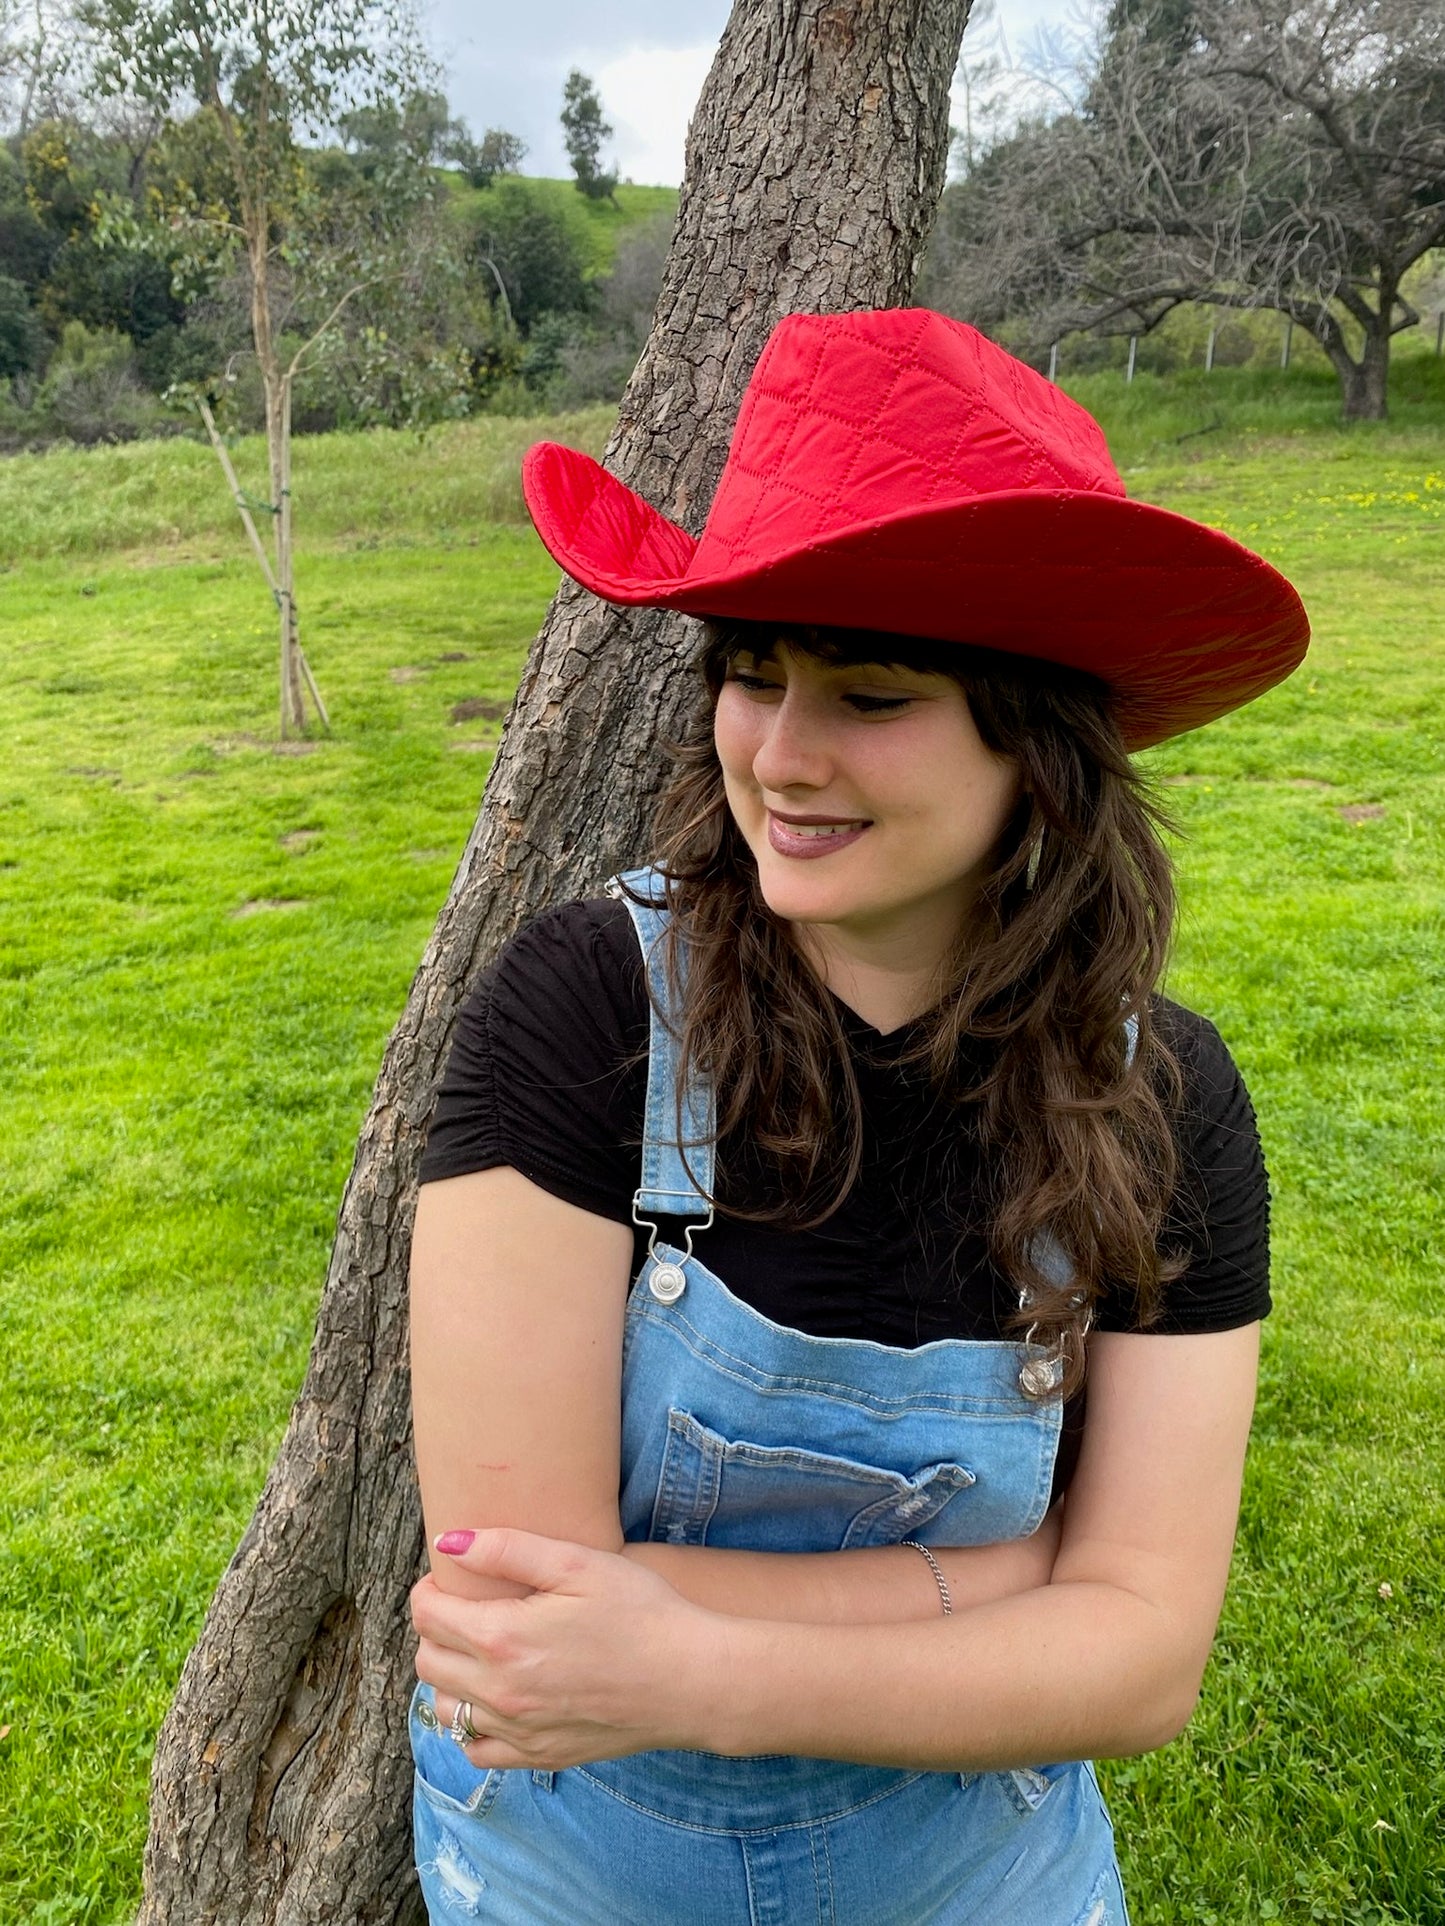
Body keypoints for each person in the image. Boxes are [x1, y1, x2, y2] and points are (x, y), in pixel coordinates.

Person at [404, 308, 1309, 1925]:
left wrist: (695, 1666)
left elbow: (1143, 1664)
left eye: (869, 693)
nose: (780, 754)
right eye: (752, 673)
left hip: (979, 1876)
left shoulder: (1160, 1099)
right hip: (576, 1871)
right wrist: (1013, 1589)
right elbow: (512, 1622)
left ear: (1036, 755)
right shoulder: (588, 1013)